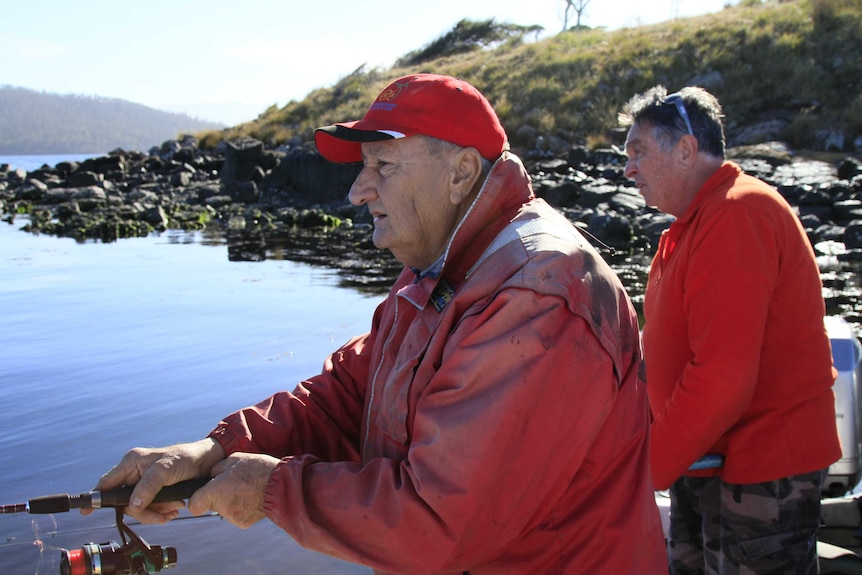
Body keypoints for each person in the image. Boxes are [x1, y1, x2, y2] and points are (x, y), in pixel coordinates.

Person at [87, 74, 666, 574]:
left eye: (383, 166)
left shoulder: (541, 296)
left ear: (462, 172)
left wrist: (270, 490)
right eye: (364, 168)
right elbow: (347, 399)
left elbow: (439, 519)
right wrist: (213, 450)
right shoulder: (438, 264)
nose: (358, 191)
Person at [620, 85, 842, 574]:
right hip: (705, 465)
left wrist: (645, 471)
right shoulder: (689, 227)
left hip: (763, 473)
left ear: (686, 149)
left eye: (638, 152)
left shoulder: (738, 213)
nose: (628, 169)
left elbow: (723, 376)